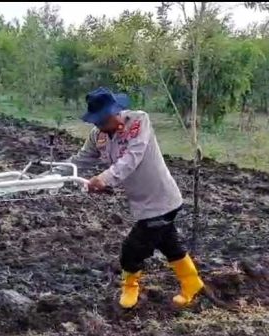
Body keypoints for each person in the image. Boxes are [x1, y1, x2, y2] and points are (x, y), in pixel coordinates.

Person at [54, 87, 204, 309]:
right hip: (141, 203)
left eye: (102, 121)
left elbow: (132, 158)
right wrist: (55, 173)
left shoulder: (138, 122)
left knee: (132, 250)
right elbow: (82, 158)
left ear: (115, 112)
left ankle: (130, 288)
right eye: (95, 122)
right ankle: (192, 283)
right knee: (169, 244)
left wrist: (104, 179)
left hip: (161, 200)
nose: (98, 126)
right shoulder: (99, 136)